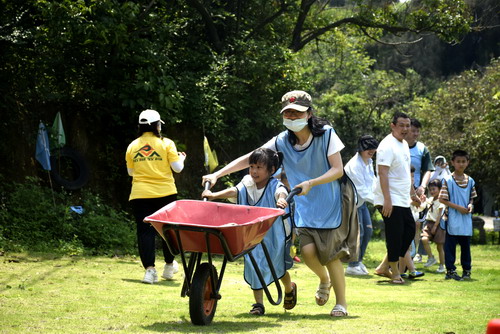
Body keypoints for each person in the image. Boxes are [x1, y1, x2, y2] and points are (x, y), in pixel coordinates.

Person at [203, 90, 354, 317]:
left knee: (331, 254)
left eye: (297, 113)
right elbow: (251, 157)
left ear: (309, 114)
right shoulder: (282, 140)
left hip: (330, 202)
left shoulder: (327, 135)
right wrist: (218, 174)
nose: (292, 118)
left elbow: (338, 169)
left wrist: (311, 182)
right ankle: (324, 279)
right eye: (288, 114)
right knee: (308, 252)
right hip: (303, 204)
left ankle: (341, 303)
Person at [202, 148, 296, 316]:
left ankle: (289, 288)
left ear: (271, 170)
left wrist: (282, 199)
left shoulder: (274, 185)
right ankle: (258, 304)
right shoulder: (247, 182)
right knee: (254, 266)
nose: (254, 171)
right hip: (251, 233)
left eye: (259, 167)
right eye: (252, 166)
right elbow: (235, 191)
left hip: (273, 235)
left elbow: (281, 192)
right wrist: (214, 195)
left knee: (277, 267)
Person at [125, 109, 186, 284]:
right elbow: (177, 168)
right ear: (157, 126)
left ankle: (150, 271)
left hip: (140, 194)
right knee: (168, 230)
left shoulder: (132, 146)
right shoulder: (167, 143)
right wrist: (182, 159)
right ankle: (168, 266)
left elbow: (131, 171)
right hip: (165, 193)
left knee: (145, 232)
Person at [373, 111, 421, 284]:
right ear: (392, 126)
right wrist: (387, 200)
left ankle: (383, 266)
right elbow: (382, 173)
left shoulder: (404, 145)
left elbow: (406, 172)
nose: (405, 129)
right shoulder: (387, 145)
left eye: (407, 125)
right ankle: (394, 272)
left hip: (402, 198)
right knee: (395, 235)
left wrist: (413, 194)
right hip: (389, 198)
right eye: (401, 125)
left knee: (408, 231)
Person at [439, 150, 477, 281]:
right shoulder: (448, 180)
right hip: (452, 218)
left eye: (463, 161)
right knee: (450, 247)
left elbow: (472, 198)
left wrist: (470, 205)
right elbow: (442, 199)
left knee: (466, 246)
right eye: (458, 161)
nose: (461, 164)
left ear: (468, 163)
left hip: (466, 218)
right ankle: (450, 271)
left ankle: (467, 270)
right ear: (453, 163)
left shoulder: (470, 181)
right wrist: (459, 208)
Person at [344, 135, 379, 276]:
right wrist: (379, 201)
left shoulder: (369, 161)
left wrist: (381, 194)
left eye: (373, 148)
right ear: (361, 149)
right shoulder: (354, 165)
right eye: (368, 148)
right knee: (359, 233)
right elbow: (362, 190)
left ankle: (358, 261)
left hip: (361, 202)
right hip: (351, 202)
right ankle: (352, 265)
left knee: (368, 231)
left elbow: (373, 181)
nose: (371, 151)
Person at [406, 118, 435, 264]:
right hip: (401, 191)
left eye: (418, 131)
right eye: (413, 130)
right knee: (404, 223)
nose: (415, 134)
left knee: (416, 223)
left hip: (418, 192)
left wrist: (422, 186)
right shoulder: (399, 146)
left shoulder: (422, 148)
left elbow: (428, 169)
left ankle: (413, 253)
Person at [420, 179, 447, 273]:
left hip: (438, 224)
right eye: (430, 189)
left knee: (440, 247)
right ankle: (431, 257)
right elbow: (423, 206)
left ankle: (442, 266)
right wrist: (423, 200)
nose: (432, 191)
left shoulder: (441, 201)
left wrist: (435, 226)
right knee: (424, 239)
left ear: (440, 189)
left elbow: (440, 214)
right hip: (429, 223)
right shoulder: (430, 200)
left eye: (434, 189)